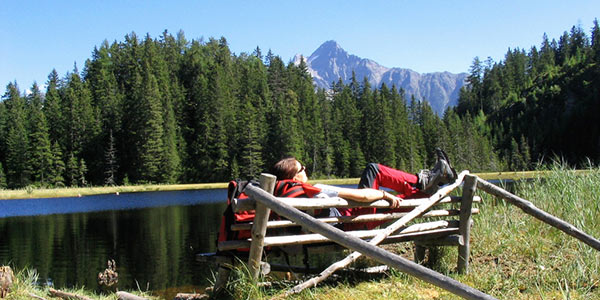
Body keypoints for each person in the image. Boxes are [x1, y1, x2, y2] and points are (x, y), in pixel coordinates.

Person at [269, 148, 456, 229]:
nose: (305, 170)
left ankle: (425, 189)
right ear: (294, 178)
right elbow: (362, 195)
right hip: (354, 224)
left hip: (345, 227)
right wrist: (383, 194)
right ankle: (423, 182)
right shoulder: (312, 190)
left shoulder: (280, 198)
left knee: (392, 199)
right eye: (302, 169)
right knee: (373, 169)